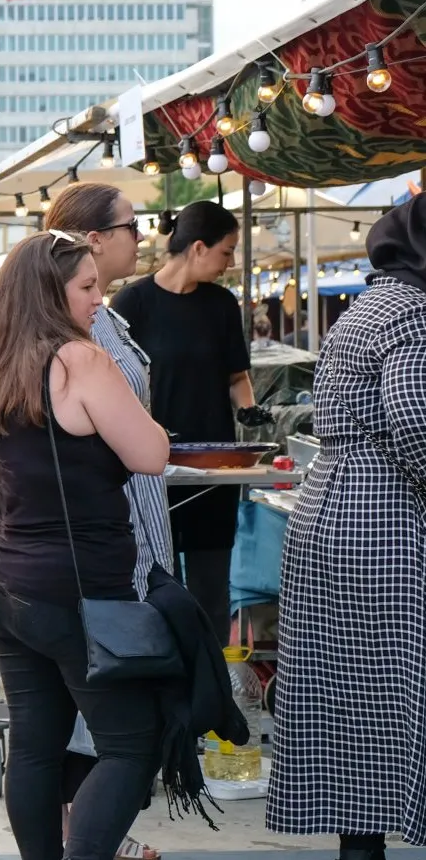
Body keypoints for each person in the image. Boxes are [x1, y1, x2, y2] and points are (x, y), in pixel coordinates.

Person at [0, 230, 169, 860]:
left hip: (2, 580)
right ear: (48, 292)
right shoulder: (80, 360)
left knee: (35, 744)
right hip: (77, 587)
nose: (97, 299)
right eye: (87, 286)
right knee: (131, 744)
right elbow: (150, 453)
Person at [268, 192, 426, 860]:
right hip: (382, 512)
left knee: (351, 693)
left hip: (335, 504)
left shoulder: (371, 304)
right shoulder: (413, 313)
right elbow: (418, 425)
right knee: (398, 688)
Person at [44, 183, 174, 860]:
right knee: (103, 703)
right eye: (131, 225)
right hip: (105, 536)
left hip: (119, 531)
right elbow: (139, 445)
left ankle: (81, 842)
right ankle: (83, 843)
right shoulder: (81, 339)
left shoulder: (100, 322)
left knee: (88, 699)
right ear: (93, 240)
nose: (141, 236)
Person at [113, 200, 268, 646]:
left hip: (215, 463)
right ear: (199, 247)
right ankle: (166, 669)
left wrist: (248, 408)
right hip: (149, 463)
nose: (230, 263)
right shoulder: (132, 302)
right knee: (157, 580)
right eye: (226, 251)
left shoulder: (222, 304)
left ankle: (212, 675)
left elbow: (236, 376)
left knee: (211, 585)